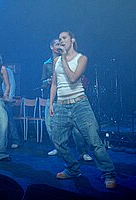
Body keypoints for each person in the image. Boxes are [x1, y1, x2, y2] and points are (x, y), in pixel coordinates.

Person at [49, 31, 116, 189]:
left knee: (94, 141)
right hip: (62, 105)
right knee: (57, 141)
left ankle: (109, 173)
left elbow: (73, 78)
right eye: (59, 39)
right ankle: (72, 169)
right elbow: (54, 83)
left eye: (64, 38)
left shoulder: (82, 58)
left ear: (72, 40)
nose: (61, 41)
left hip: (80, 105)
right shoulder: (56, 61)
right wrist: (52, 103)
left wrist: (64, 58)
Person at [41, 38, 93, 161]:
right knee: (50, 125)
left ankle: (82, 152)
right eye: (57, 44)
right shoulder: (47, 63)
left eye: (61, 44)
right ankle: (58, 148)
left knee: (77, 129)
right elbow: (42, 82)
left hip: (69, 97)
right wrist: (48, 82)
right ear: (52, 47)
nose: (59, 46)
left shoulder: (68, 59)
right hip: (53, 98)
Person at [2, 66, 22, 149]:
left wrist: (10, 98)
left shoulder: (7, 70)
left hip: (6, 100)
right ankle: (3, 141)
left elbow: (12, 84)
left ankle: (15, 140)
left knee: (10, 120)